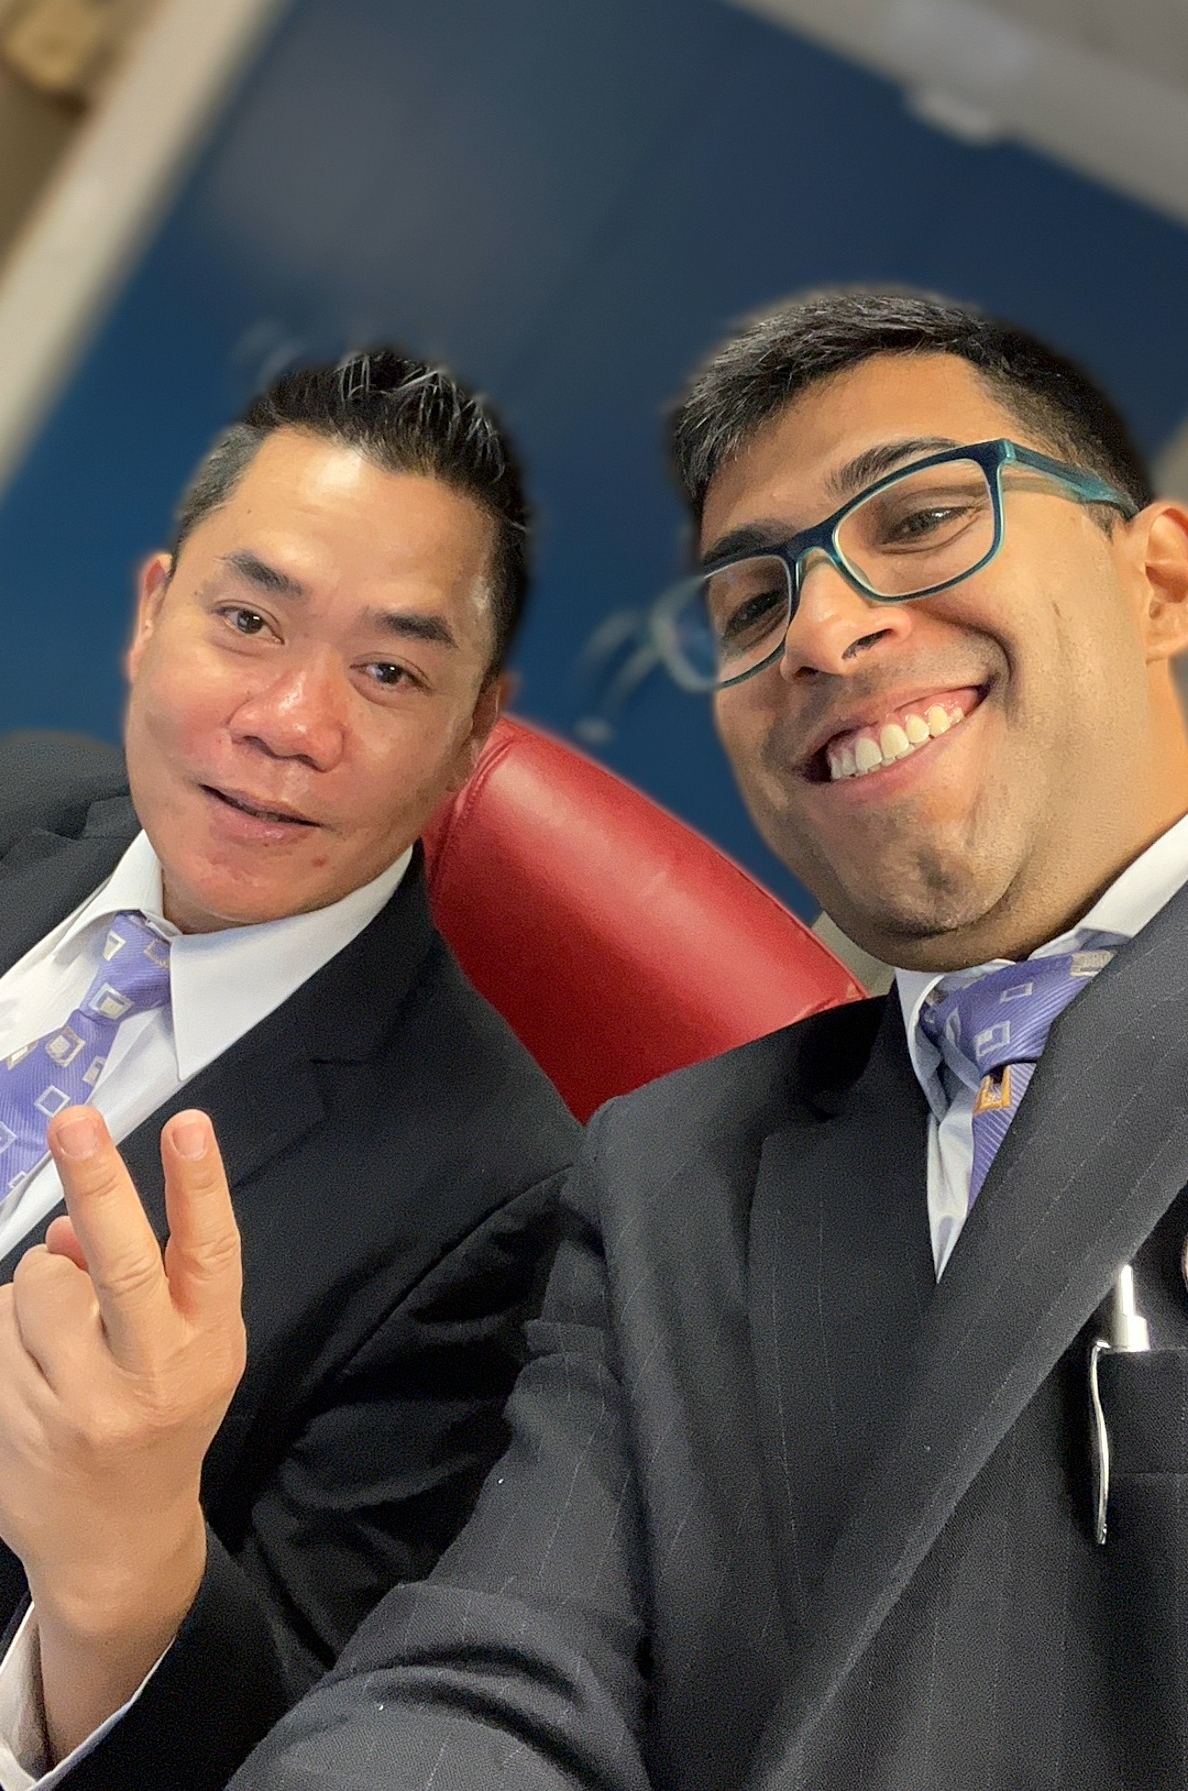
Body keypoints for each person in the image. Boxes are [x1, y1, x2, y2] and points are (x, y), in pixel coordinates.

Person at [228, 288, 1188, 1791]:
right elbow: (494, 1676)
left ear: (1160, 583)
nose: (823, 630)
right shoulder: (677, 1179)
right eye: (751, 606)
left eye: (924, 520)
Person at [0, 351, 577, 1789]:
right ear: (151, 612)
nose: (291, 724)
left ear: (472, 736)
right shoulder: (20, 792)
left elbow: (287, 1733)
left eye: (388, 671)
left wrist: (123, 1562)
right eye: (248, 620)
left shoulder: (500, 1205)